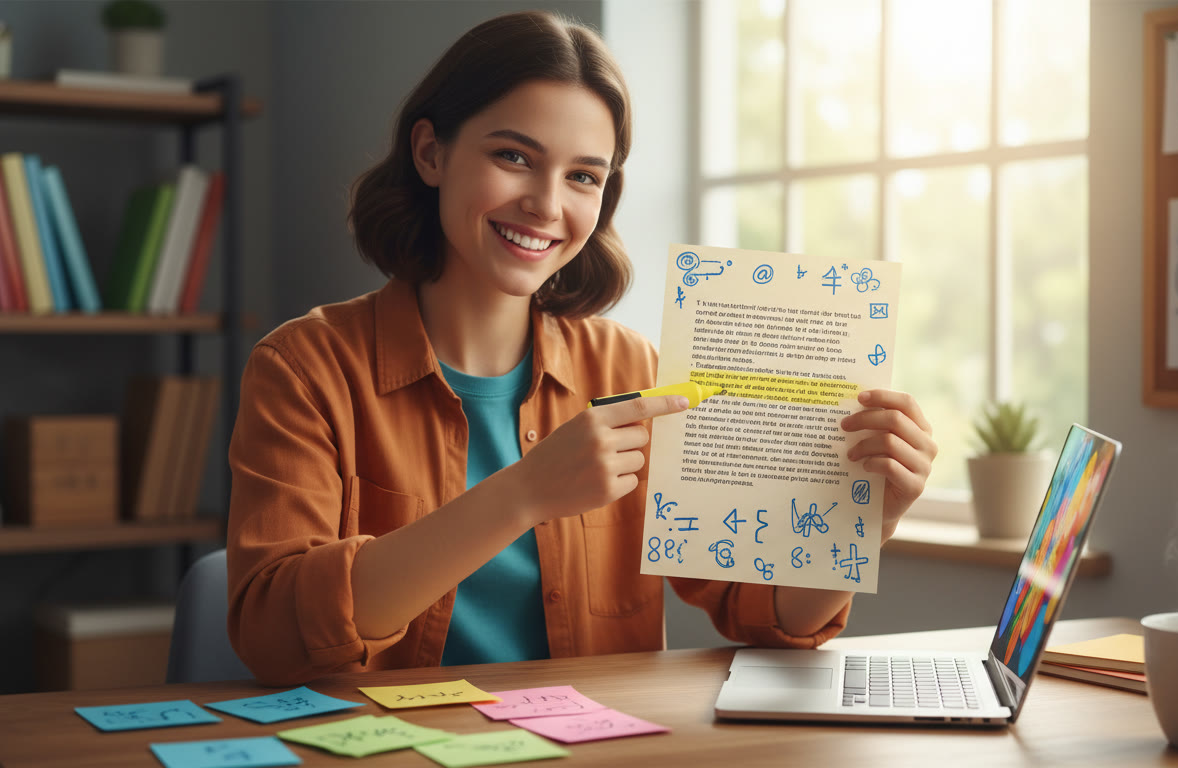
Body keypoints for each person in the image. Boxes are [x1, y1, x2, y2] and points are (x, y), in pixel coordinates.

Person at [226, 10, 937, 687]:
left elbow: (769, 618)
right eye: (513, 156)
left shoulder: (635, 372)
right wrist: (522, 495)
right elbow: (275, 641)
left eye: (584, 177)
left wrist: (863, 521)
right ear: (430, 152)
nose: (547, 203)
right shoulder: (304, 369)